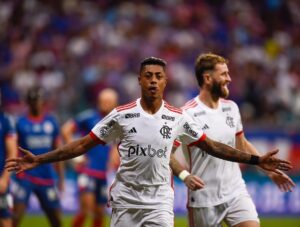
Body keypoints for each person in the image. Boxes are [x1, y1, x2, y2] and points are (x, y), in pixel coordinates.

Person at [5, 57, 291, 227]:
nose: (153, 81)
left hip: (159, 200)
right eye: (148, 76)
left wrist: (256, 160)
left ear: (165, 81)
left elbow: (213, 146)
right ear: (140, 80)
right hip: (126, 200)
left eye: (159, 77)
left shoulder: (178, 117)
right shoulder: (121, 115)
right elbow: (82, 144)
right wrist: (40, 159)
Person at [178, 53, 296, 227]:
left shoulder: (231, 108)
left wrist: (268, 171)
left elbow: (243, 144)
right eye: (224, 74)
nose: (230, 79)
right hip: (204, 197)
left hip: (235, 191)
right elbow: (209, 148)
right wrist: (184, 175)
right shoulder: (187, 113)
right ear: (208, 78)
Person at [61, 88, 119, 227]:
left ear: (114, 104)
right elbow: (66, 130)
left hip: (103, 174)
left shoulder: (116, 122)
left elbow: (116, 144)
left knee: (100, 212)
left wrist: (114, 160)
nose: (104, 103)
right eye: (102, 100)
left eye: (108, 101)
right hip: (87, 171)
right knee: (85, 210)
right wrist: (76, 157)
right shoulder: (89, 117)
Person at [11, 87, 64, 227]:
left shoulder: (51, 122)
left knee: (56, 221)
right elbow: (12, 148)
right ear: (28, 102)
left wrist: (61, 179)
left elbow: (59, 152)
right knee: (15, 218)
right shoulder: (19, 123)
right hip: (25, 177)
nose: (35, 103)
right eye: (32, 100)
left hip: (47, 176)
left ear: (43, 102)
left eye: (38, 100)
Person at [0, 90, 17, 227]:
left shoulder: (6, 120)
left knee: (5, 220)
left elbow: (12, 152)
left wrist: (4, 179)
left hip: (0, 180)